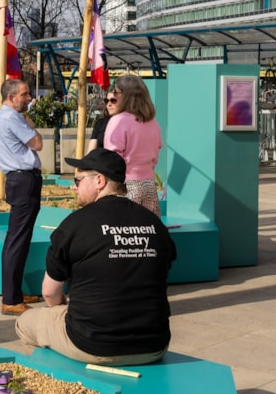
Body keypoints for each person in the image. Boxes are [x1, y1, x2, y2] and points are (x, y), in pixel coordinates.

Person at [15, 148, 175, 365]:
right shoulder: (155, 224)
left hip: (92, 344)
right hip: (154, 344)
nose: (73, 186)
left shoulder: (75, 225)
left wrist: (64, 307)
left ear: (99, 180)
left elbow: (50, 294)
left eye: (78, 179)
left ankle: (60, 382)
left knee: (25, 322)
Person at [0, 79, 44, 316]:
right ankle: (11, 299)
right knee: (17, 240)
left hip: (19, 180)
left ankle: (15, 292)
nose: (29, 98)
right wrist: (29, 122)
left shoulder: (0, 119)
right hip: (23, 180)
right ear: (10, 97)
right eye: (24, 94)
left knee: (18, 239)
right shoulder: (13, 118)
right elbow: (38, 143)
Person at [102, 75, 163, 217]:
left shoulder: (118, 121)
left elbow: (111, 159)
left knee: (124, 232)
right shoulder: (152, 122)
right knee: (149, 230)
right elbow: (156, 152)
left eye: (116, 93)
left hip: (125, 185)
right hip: (148, 184)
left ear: (124, 95)